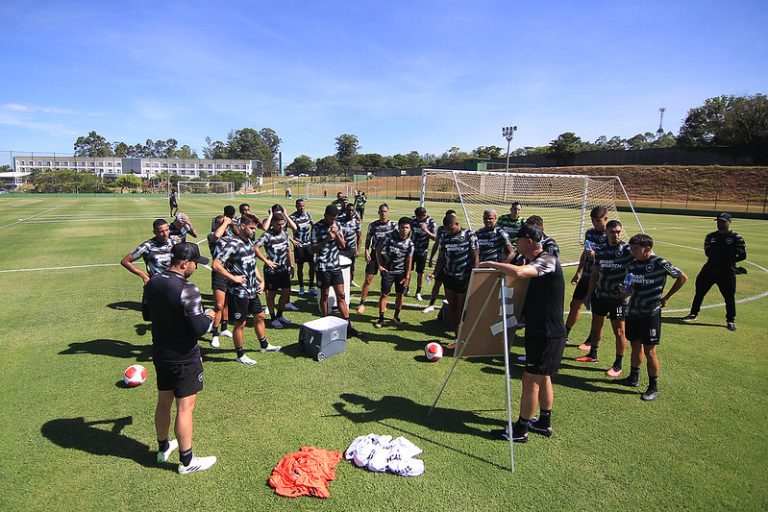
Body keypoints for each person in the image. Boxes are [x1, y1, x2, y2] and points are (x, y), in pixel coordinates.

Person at [479, 224, 567, 442]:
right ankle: (544, 423)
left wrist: (491, 263)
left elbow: (519, 273)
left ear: (528, 241)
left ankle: (520, 430)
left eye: (518, 239)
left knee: (530, 379)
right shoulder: (535, 261)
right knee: (543, 375)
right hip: (542, 330)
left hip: (546, 333)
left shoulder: (547, 260)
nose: (515, 243)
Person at [143, 242, 216, 474]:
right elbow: (199, 329)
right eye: (195, 263)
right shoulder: (188, 288)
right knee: (185, 407)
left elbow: (146, 314)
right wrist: (210, 315)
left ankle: (163, 447)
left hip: (160, 352)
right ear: (184, 263)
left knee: (164, 400)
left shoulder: (152, 281)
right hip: (184, 356)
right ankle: (187, 461)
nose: (195, 267)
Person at [618, 233, 687, 400]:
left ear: (647, 249)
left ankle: (653, 387)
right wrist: (625, 292)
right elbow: (632, 288)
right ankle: (633, 378)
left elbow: (682, 277)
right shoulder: (632, 265)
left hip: (650, 314)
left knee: (650, 351)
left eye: (635, 249)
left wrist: (666, 297)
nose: (632, 252)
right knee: (635, 346)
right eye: (631, 248)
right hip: (633, 312)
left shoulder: (659, 263)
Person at [212, 213, 281, 365]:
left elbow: (252, 263)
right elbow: (216, 264)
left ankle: (264, 345)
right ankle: (240, 354)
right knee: (240, 323)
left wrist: (261, 280)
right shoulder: (233, 244)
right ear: (242, 226)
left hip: (252, 290)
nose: (254, 231)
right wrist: (233, 278)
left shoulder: (250, 242)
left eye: (255, 228)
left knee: (261, 316)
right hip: (239, 292)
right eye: (251, 228)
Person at [576, 220, 632, 378]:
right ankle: (592, 354)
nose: (616, 235)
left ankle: (618, 364)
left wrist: (628, 291)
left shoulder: (628, 250)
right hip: (600, 295)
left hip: (618, 299)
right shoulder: (600, 250)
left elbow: (636, 271)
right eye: (613, 232)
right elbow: (595, 273)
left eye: (618, 232)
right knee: (596, 325)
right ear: (606, 232)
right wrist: (589, 294)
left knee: (620, 331)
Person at [682, 213, 747, 331]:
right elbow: (708, 253)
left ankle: (730, 320)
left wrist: (730, 261)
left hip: (727, 272)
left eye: (722, 221)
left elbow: (742, 255)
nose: (719, 223)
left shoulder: (737, 237)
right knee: (699, 293)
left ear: (729, 222)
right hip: (709, 270)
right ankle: (693, 313)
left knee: (729, 297)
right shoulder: (710, 236)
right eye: (718, 221)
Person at [311, 205, 359, 337]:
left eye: (335, 218)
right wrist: (327, 238)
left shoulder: (337, 225)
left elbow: (343, 245)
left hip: (336, 267)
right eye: (331, 217)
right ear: (325, 215)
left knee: (341, 295)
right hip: (322, 267)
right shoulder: (316, 227)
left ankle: (348, 326)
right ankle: (325, 323)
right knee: (324, 295)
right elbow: (312, 249)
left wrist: (336, 233)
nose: (333, 220)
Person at [565, 206, 609, 348]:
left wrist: (595, 256)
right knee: (575, 304)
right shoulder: (590, 232)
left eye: (598, 220)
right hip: (586, 276)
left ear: (605, 219)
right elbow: (585, 253)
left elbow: (612, 259)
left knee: (596, 312)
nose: (595, 223)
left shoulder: (611, 235)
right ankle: (565, 334)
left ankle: (591, 340)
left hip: (600, 279)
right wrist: (578, 272)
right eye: (593, 220)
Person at [434, 214, 479, 345]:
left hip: (464, 277)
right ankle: (457, 335)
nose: (449, 231)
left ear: (457, 224)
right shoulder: (444, 236)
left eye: (451, 228)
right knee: (452, 306)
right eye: (447, 229)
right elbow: (442, 257)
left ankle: (466, 335)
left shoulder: (469, 235)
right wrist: (435, 272)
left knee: (462, 307)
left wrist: (475, 274)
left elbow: (475, 256)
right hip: (449, 277)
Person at [255, 213, 296, 329]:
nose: (281, 227)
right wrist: (266, 261)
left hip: (283, 269)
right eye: (278, 224)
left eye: (282, 224)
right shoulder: (267, 235)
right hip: (271, 270)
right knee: (271, 294)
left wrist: (291, 265)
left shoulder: (285, 234)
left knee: (286, 292)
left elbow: (288, 250)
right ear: (272, 223)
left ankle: (280, 315)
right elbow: (255, 248)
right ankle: (273, 318)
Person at [374, 217, 414, 328]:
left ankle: (396, 316)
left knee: (400, 294)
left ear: (410, 229)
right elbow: (378, 250)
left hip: (400, 273)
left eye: (406, 228)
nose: (404, 230)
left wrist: (407, 276)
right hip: (388, 271)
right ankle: (381, 318)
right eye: (402, 227)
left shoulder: (410, 244)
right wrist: (380, 265)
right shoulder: (390, 237)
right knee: (384, 294)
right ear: (399, 227)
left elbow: (409, 260)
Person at [357, 204, 397, 314]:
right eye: (381, 211)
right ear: (378, 212)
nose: (383, 213)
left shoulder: (394, 226)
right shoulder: (373, 225)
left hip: (387, 257)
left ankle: (383, 303)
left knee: (386, 282)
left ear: (388, 212)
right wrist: (366, 250)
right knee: (368, 279)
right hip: (374, 255)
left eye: (385, 211)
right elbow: (368, 239)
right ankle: (362, 302)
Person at [207, 215, 234, 349]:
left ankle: (224, 328)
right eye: (220, 223)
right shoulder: (212, 235)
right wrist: (225, 222)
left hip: (232, 273)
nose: (224, 225)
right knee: (219, 305)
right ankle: (215, 334)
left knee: (227, 303)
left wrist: (231, 224)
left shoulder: (231, 236)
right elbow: (217, 235)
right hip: (219, 273)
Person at [422, 209, 457, 314]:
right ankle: (431, 305)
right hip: (443, 262)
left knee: (450, 288)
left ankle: (449, 307)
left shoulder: (460, 232)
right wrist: (431, 257)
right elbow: (436, 244)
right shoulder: (441, 230)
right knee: (437, 284)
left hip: (454, 265)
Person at [121, 218, 174, 285]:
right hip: (157, 284)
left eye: (167, 230)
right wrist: (143, 275)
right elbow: (125, 261)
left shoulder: (173, 243)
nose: (165, 234)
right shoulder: (147, 246)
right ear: (154, 232)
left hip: (173, 282)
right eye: (161, 231)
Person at [289, 198, 316, 295]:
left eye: (303, 206)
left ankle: (311, 286)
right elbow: (283, 230)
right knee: (300, 267)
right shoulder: (292, 217)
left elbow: (314, 226)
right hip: (299, 246)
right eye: (300, 206)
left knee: (312, 265)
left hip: (308, 245)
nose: (302, 208)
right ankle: (301, 287)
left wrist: (313, 239)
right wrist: (292, 240)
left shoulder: (308, 215)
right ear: (296, 206)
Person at [410, 206, 437, 302]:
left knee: (420, 273)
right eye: (417, 217)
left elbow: (435, 237)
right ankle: (406, 288)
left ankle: (418, 292)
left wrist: (426, 230)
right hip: (412, 250)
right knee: (408, 270)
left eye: (420, 217)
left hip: (423, 251)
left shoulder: (431, 222)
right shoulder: (413, 221)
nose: (418, 219)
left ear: (424, 215)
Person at [339, 203, 362, 287]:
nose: (351, 212)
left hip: (351, 248)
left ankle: (351, 280)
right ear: (346, 211)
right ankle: (339, 281)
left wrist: (358, 249)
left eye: (353, 210)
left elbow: (359, 236)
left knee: (352, 266)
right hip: (340, 249)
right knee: (339, 266)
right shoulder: (339, 220)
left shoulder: (356, 222)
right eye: (349, 210)